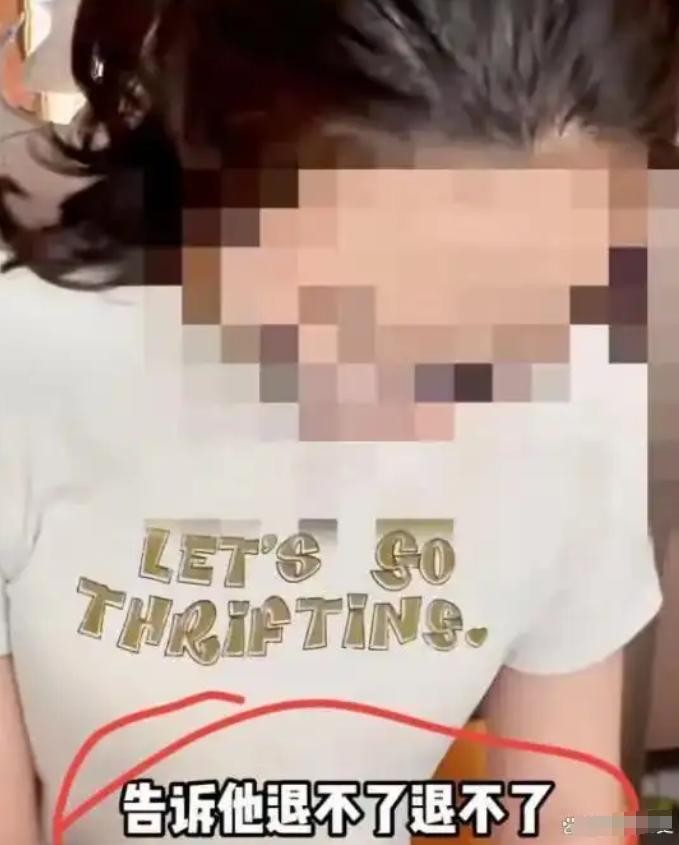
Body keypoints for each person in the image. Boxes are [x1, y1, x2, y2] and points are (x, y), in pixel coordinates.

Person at [0, 1, 675, 842]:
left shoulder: (581, 390)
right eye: (375, 322)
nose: (463, 405)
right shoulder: (31, 365)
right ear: (225, 174)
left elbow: (562, 802)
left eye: (540, 308)